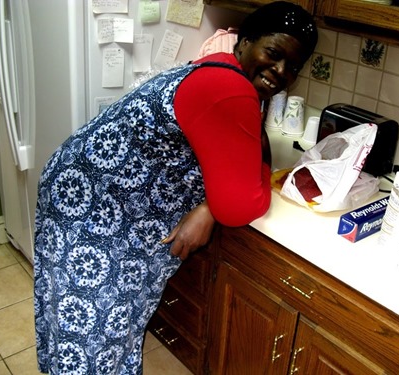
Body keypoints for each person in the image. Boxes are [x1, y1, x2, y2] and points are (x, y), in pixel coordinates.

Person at [33, 1, 318, 373]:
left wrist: (207, 206)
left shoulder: (221, 66)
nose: (281, 72)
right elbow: (241, 205)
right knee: (93, 337)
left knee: (75, 327)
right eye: (274, 54)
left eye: (293, 67)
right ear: (245, 40)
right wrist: (228, 192)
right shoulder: (229, 87)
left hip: (82, 196)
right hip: (94, 218)